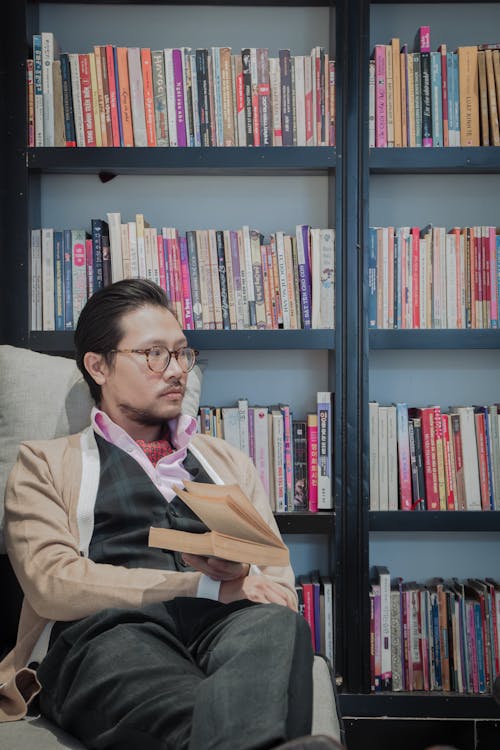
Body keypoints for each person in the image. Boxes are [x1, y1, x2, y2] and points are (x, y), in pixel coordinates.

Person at [1, 279, 341, 750]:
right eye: (154, 354)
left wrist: (240, 574)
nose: (176, 370)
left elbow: (277, 586)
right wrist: (204, 585)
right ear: (98, 366)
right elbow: (53, 584)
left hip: (226, 624)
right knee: (149, 675)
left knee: (277, 624)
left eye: (182, 353)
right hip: (111, 627)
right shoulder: (44, 463)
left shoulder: (227, 463)